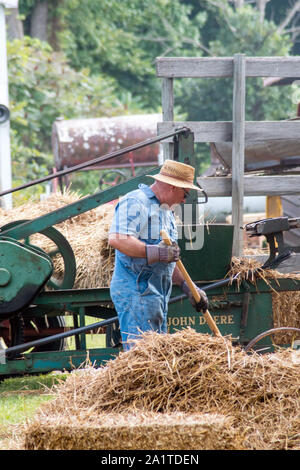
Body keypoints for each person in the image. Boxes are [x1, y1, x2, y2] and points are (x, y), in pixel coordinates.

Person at [108, 159, 209, 350]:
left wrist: (188, 285)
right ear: (172, 187)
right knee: (142, 362)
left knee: (155, 362)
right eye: (185, 193)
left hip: (157, 296)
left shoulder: (166, 212)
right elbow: (117, 239)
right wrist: (156, 252)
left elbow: (168, 260)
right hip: (136, 293)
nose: (184, 200)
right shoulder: (135, 201)